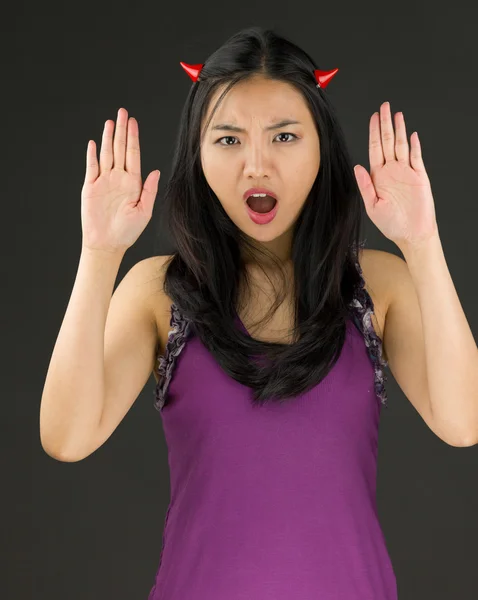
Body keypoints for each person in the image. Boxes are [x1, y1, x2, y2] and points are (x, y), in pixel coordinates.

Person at [40, 25, 395, 600]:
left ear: (322, 145)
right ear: (197, 153)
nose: (256, 165)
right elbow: (66, 436)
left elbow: (465, 420)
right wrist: (100, 254)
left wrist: (424, 242)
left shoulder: (376, 284)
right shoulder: (160, 291)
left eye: (284, 137)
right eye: (228, 140)